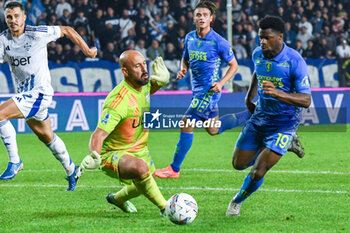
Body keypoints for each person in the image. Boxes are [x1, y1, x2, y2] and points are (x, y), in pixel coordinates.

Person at [0, 1, 97, 190]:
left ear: (24, 17)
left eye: (16, 16)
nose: (13, 20)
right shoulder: (3, 39)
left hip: (40, 93)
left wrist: (87, 51)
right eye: (9, 17)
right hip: (26, 96)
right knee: (47, 137)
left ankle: (15, 161)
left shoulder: (36, 33)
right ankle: (71, 170)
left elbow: (67, 30)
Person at [154, 1, 251, 179]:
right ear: (194, 17)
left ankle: (174, 168)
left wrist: (221, 83)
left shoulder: (218, 41)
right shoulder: (190, 37)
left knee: (186, 122)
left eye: (205, 15)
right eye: (198, 15)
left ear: (211, 18)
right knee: (213, 129)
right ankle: (252, 114)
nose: (201, 18)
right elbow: (185, 58)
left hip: (209, 92)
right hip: (197, 91)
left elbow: (234, 65)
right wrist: (183, 68)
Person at [225, 16, 311, 216]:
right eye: (260, 37)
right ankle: (278, 146)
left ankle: (237, 201)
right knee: (238, 165)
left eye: (267, 38)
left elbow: (306, 100)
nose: (262, 41)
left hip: (284, 124)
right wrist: (249, 97)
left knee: (257, 171)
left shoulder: (294, 61)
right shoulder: (258, 54)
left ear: (280, 37)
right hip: (259, 118)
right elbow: (258, 72)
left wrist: (278, 93)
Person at [77, 50, 170, 215]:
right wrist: (94, 155)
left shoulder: (144, 84)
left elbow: (149, 89)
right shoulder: (118, 101)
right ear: (125, 72)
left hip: (139, 148)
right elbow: (98, 134)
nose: (144, 69)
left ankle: (117, 199)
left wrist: (162, 81)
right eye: (137, 66)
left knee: (148, 181)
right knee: (141, 169)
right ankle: (166, 208)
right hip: (112, 153)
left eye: (144, 64)